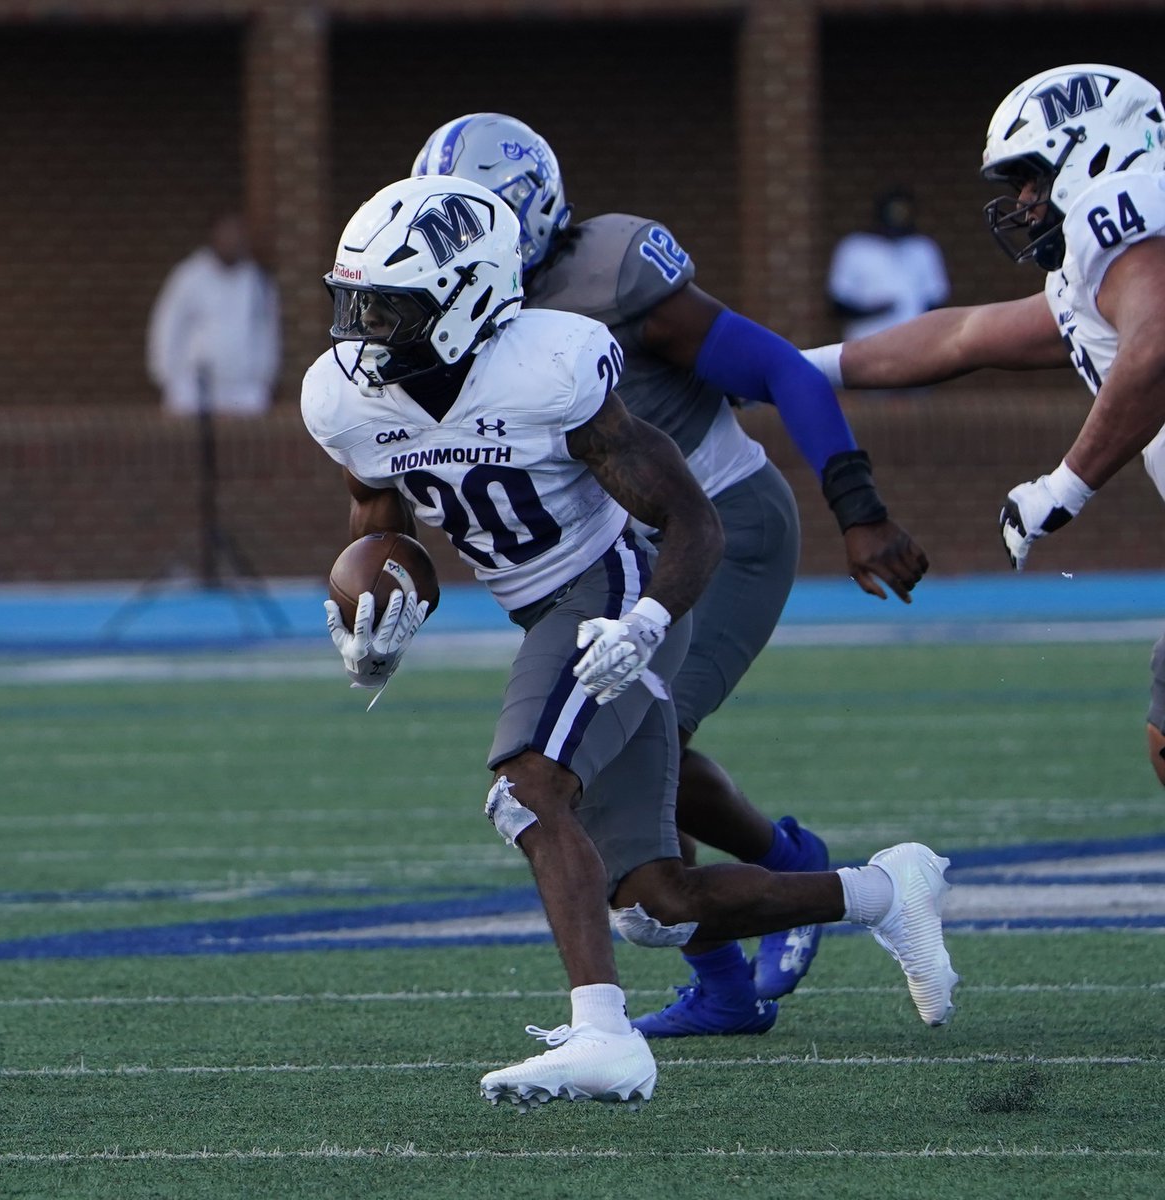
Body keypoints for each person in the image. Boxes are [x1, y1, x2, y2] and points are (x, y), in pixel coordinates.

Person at [300, 173, 957, 1109]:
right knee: (655, 902)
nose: (363, 328)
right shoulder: (347, 399)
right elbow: (383, 523)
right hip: (540, 609)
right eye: (354, 301)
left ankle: (604, 1036)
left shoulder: (553, 365)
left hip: (604, 590)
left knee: (529, 791)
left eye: (389, 307)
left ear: (468, 299)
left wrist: (647, 620)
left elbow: (694, 523)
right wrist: (378, 626)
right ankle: (883, 891)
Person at [411, 114, 930, 1037]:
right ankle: (731, 967)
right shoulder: (463, 313)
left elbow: (781, 371)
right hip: (618, 552)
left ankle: (786, 877)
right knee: (638, 748)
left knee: (645, 735)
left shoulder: (614, 275)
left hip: (720, 525)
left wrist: (860, 508)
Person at [802, 63, 1165, 788]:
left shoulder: (1125, 206)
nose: (1024, 202)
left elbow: (1159, 344)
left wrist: (1065, 486)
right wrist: (786, 371)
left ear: (1094, 151)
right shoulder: (1097, 272)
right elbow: (962, 336)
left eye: (1031, 178)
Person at [147, 212, 281, 416]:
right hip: (194, 387)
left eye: (236, 235)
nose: (231, 241)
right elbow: (167, 325)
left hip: (243, 388)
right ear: (213, 237)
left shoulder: (256, 281)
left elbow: (268, 332)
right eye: (225, 235)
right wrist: (166, 375)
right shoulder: (189, 276)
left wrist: (266, 376)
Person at [826, 186, 950, 342]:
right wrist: (877, 310)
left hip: (914, 345)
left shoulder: (923, 248)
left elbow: (936, 301)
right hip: (865, 343)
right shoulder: (854, 247)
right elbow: (838, 305)